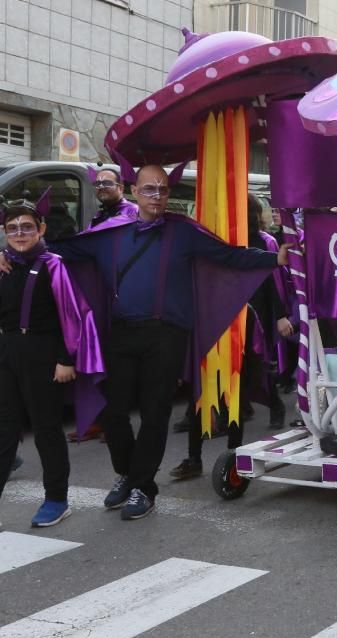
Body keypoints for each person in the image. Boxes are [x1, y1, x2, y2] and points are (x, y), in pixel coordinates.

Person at [21, 164, 291, 520]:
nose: (158, 196)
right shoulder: (109, 234)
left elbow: (228, 255)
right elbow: (63, 252)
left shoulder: (182, 232)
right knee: (113, 411)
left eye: (163, 190)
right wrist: (16, 251)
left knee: (155, 412)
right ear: (134, 191)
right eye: (150, 189)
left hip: (167, 335)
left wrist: (275, 258)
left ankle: (143, 487)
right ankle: (129, 474)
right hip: (120, 332)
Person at [170, 195, 293, 480]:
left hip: (246, 318)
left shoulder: (261, 241)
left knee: (241, 382)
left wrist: (279, 315)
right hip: (208, 320)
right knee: (202, 389)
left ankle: (235, 452)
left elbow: (270, 282)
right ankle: (193, 457)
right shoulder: (203, 241)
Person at [0, 195, 103, 528]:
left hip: (44, 354)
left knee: (46, 431)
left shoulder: (54, 265)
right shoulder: (2, 264)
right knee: (3, 431)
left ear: (41, 228)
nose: (19, 232)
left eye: (26, 226)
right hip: (6, 353)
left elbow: (72, 315)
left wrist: (65, 359)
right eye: (12, 227)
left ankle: (57, 499)